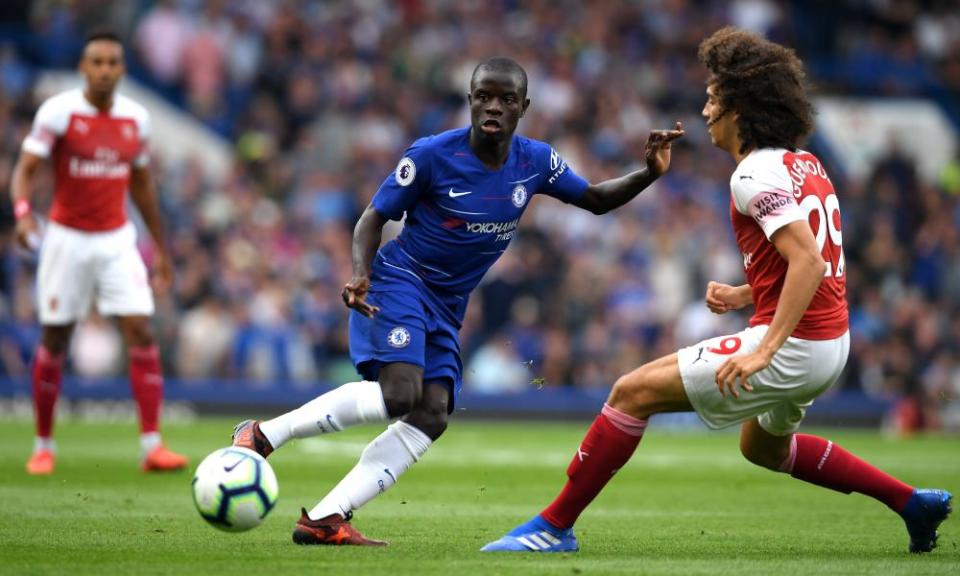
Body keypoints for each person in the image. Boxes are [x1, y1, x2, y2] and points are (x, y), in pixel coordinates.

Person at [482, 28, 952, 554]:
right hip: (829, 343)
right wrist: (746, 292)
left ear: (740, 108)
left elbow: (811, 261)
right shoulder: (805, 164)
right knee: (764, 449)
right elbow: (815, 261)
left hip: (795, 345)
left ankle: (554, 526)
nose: (705, 109)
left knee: (630, 393)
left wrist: (764, 351)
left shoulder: (752, 174)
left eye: (713, 97)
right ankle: (912, 502)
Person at [232, 56, 684, 546]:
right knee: (400, 394)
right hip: (401, 280)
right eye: (484, 96)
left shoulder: (535, 161)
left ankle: (324, 519)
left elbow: (595, 199)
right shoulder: (430, 155)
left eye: (506, 99)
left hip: (447, 305)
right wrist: (361, 274)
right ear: (469, 100)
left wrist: (648, 173)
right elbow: (371, 219)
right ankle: (263, 435)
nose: (493, 106)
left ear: (523, 107)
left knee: (432, 413)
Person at [12, 30, 188, 475]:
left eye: (113, 62)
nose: (105, 70)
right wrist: (22, 213)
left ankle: (152, 446)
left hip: (116, 239)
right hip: (66, 238)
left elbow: (143, 186)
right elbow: (26, 169)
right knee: (55, 338)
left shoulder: (136, 119)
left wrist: (161, 248)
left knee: (141, 331)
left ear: (123, 69)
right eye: (97, 62)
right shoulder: (59, 112)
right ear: (83, 68)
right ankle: (43, 445)